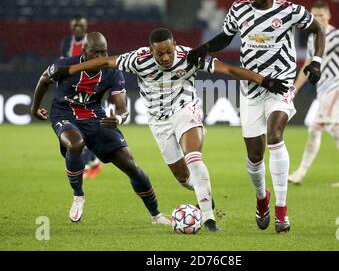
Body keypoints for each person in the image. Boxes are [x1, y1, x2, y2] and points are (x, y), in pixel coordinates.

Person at [48, 27, 288, 232]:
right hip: (158, 121)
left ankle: (208, 217)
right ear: (150, 50)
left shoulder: (189, 57)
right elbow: (103, 61)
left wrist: (264, 80)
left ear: (175, 45)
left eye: (169, 52)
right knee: (183, 177)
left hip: (186, 110)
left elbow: (230, 70)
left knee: (194, 158)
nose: (165, 58)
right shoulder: (137, 59)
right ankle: (205, 194)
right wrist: (67, 71)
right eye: (159, 53)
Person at [186, 0, 326, 233]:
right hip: (250, 90)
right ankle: (262, 198)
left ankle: (282, 213)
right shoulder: (238, 9)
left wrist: (316, 61)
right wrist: (202, 49)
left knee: (275, 135)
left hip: (281, 85)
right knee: (254, 157)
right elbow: (225, 38)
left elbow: (317, 29)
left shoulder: (287, 10)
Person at [31, 32, 170, 225]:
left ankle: (156, 215)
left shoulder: (112, 71)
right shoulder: (65, 65)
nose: (99, 57)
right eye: (95, 52)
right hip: (64, 114)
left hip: (95, 118)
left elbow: (122, 109)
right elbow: (44, 80)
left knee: (132, 167)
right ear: (84, 51)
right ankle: (78, 195)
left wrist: (118, 119)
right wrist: (35, 108)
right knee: (75, 143)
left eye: (103, 52)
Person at [288, 1, 339, 187]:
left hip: (335, 89)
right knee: (327, 129)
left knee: (323, 128)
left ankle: (301, 173)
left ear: (329, 15)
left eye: (321, 15)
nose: (318, 18)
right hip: (322, 90)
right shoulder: (313, 38)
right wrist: (295, 88)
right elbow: (307, 64)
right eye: (315, 15)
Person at [60, 13, 103, 179]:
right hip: (71, 90)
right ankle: (93, 161)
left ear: (85, 27)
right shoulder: (66, 42)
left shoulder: (91, 43)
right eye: (75, 26)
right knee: (75, 128)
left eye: (81, 26)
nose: (77, 28)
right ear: (71, 27)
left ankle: (85, 164)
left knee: (86, 128)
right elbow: (62, 63)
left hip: (89, 89)